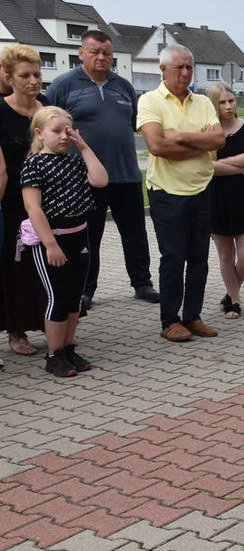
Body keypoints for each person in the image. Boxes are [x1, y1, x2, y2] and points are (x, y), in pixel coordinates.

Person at [45, 29, 159, 311]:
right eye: (94, 52)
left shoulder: (123, 87)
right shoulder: (63, 86)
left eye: (106, 53)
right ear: (80, 53)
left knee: (135, 233)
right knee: (88, 236)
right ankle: (86, 289)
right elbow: (49, 128)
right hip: (84, 178)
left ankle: (142, 282)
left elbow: (130, 123)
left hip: (126, 175)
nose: (101, 57)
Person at [136, 44, 225, 342]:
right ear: (163, 70)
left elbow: (219, 141)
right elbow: (157, 147)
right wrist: (200, 144)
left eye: (190, 67)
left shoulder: (202, 102)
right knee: (173, 257)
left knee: (199, 258)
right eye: (179, 67)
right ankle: (170, 320)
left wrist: (182, 137)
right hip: (167, 192)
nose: (186, 73)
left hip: (201, 189)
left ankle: (193, 316)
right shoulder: (149, 101)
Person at [22, 107, 108, 376]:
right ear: (39, 133)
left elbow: (101, 180)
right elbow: (33, 208)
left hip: (78, 234)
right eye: (56, 131)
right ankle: (54, 354)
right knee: (57, 298)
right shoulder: (34, 164)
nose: (63, 137)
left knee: (74, 300)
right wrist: (50, 244)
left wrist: (83, 147)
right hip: (52, 238)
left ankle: (69, 348)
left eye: (67, 131)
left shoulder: (74, 160)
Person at [0, 44, 48, 359]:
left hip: (47, 200)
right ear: (9, 78)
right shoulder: (0, 111)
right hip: (13, 201)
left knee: (44, 263)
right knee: (15, 267)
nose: (33, 80)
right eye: (24, 75)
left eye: (36, 74)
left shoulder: (46, 108)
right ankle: (16, 330)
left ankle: (48, 320)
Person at [207, 82, 244, 319]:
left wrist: (223, 165)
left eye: (231, 100)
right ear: (214, 105)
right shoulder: (209, 132)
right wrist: (239, 169)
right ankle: (235, 301)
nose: (228, 106)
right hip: (217, 198)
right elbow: (207, 168)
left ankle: (230, 292)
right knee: (226, 256)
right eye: (222, 102)